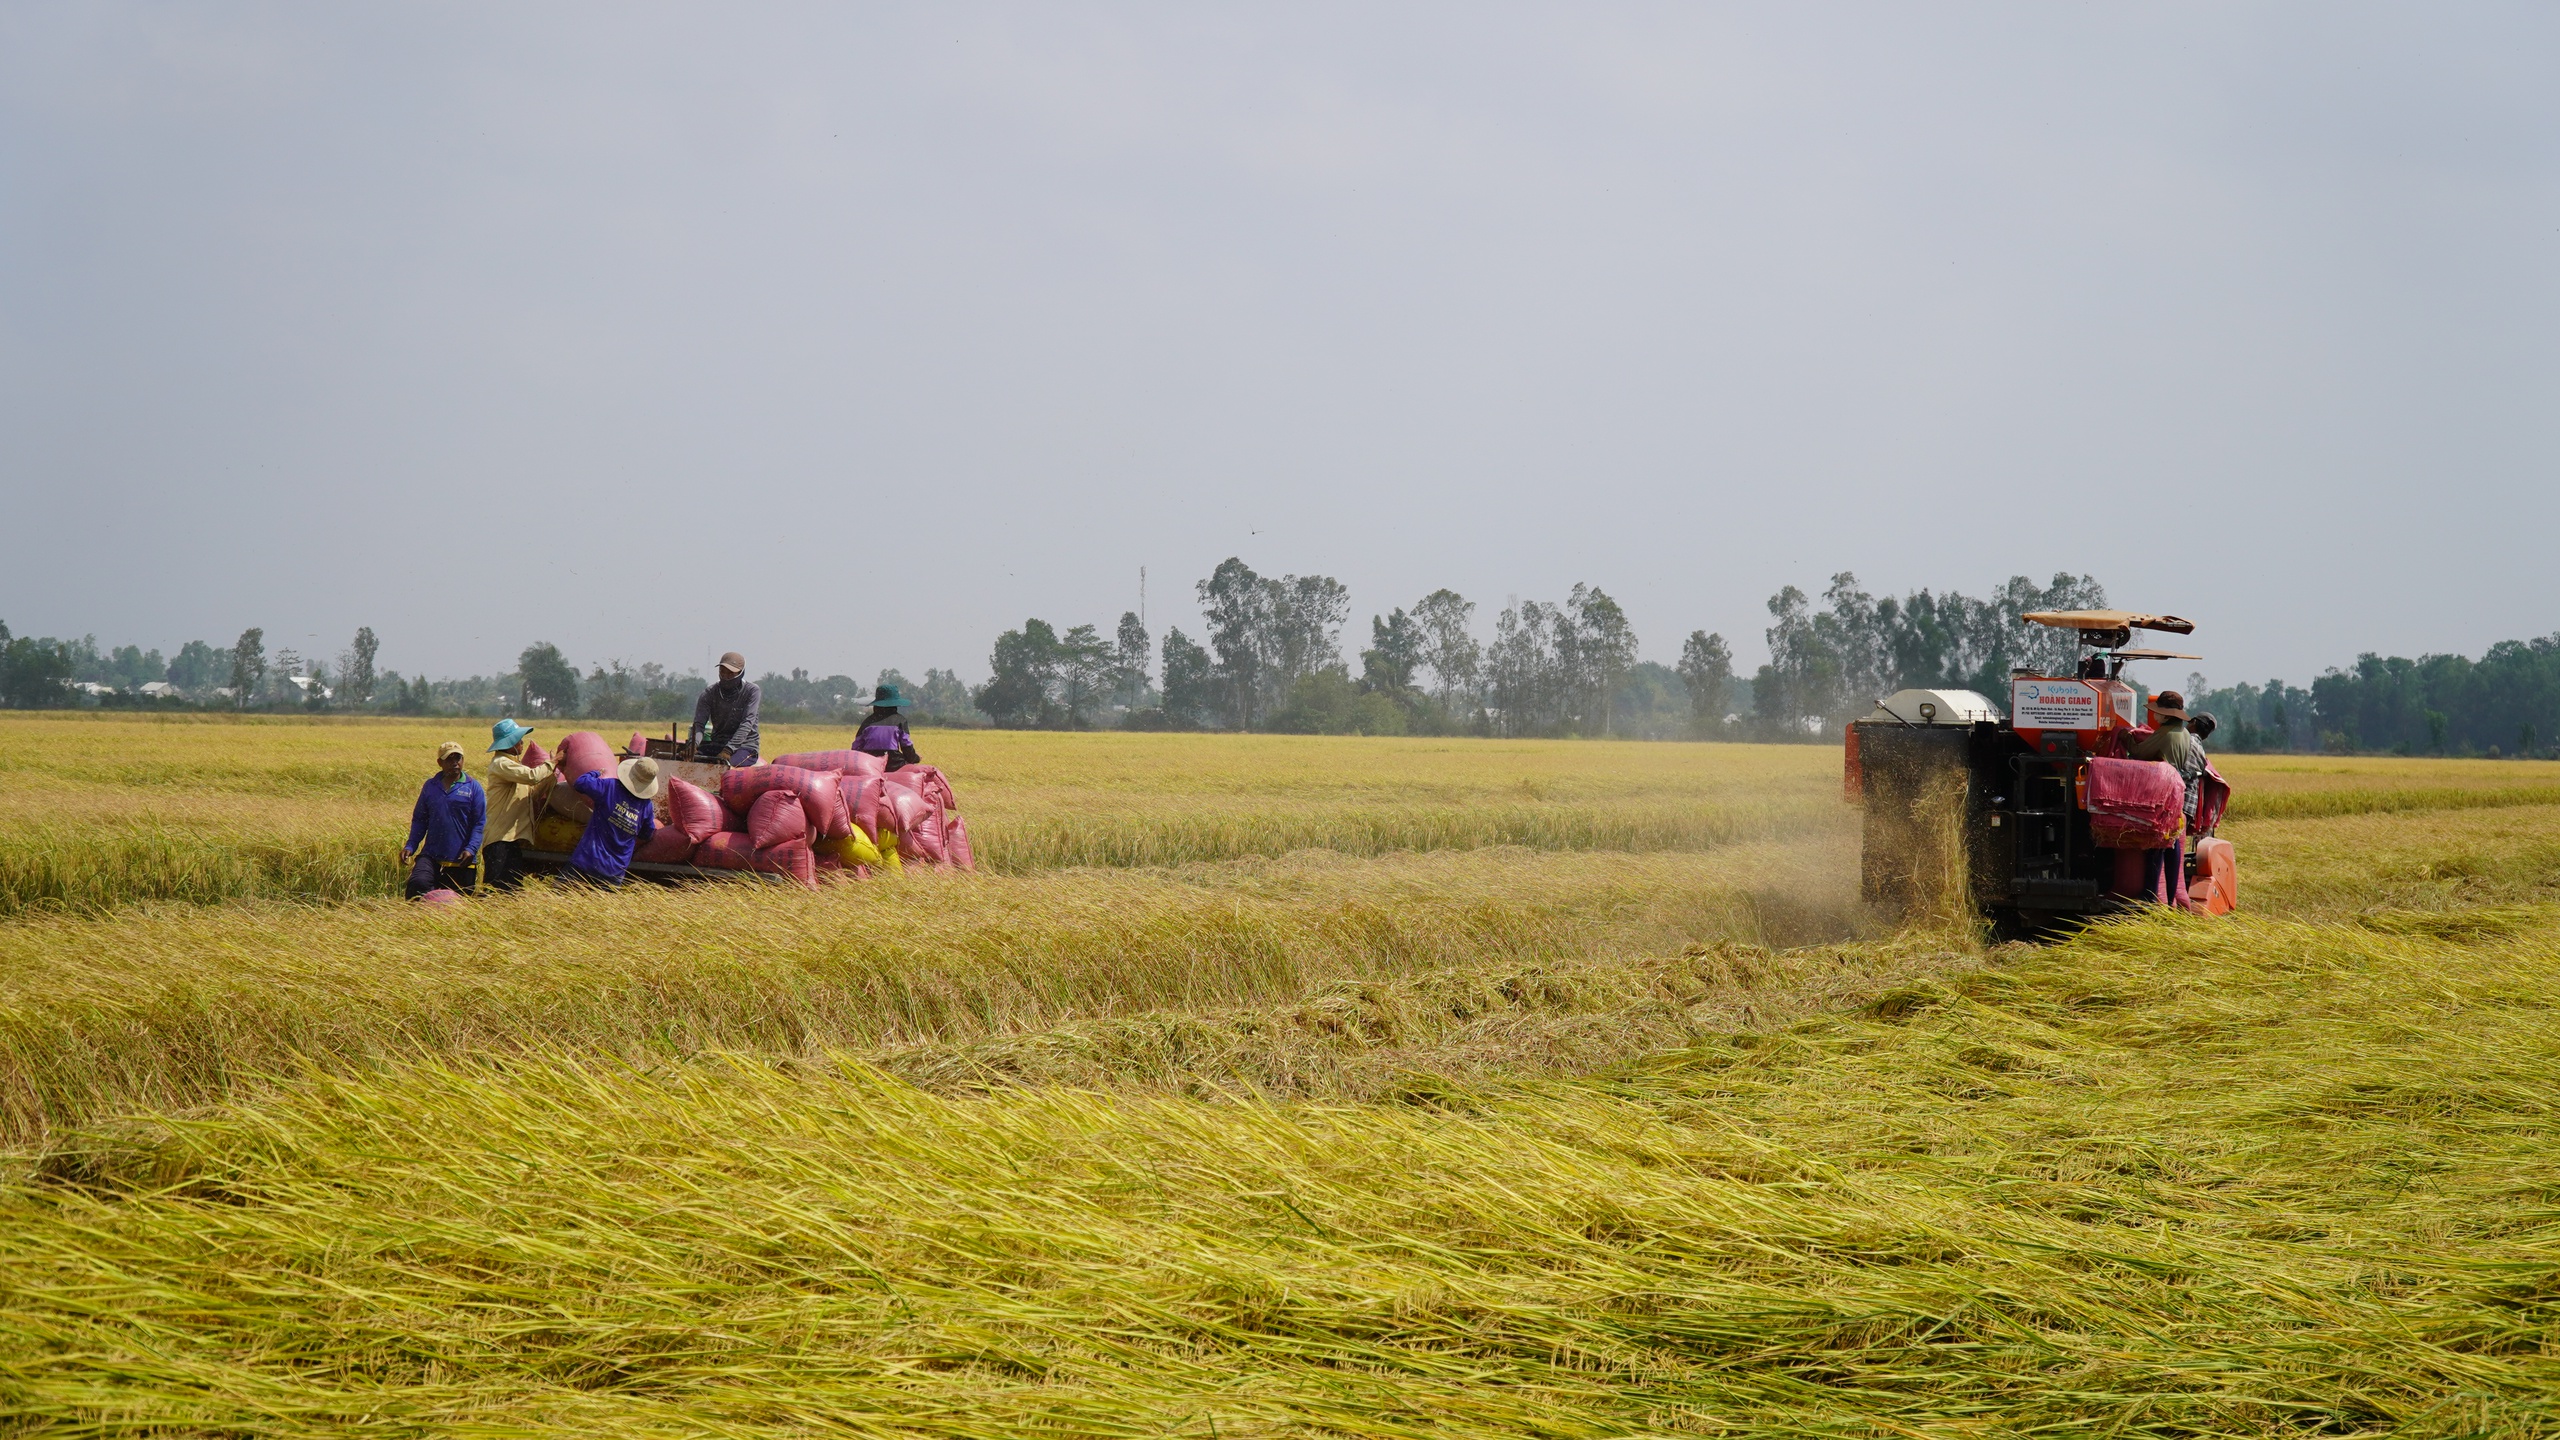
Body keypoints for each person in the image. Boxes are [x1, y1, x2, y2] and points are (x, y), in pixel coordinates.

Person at [2129, 690, 2209, 905]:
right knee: (2172, 845)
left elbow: (2138, 752)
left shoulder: (2166, 733)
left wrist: (2124, 738)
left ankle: (2150, 894)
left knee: (2157, 845)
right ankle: (2170, 895)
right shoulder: (2182, 733)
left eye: (2158, 712)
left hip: (2163, 795)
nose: (2155, 716)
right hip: (2177, 794)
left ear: (2165, 714)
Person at [563, 754, 662, 889]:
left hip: (587, 861)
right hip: (613, 872)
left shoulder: (610, 787)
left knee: (558, 898)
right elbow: (647, 834)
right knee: (602, 910)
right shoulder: (646, 807)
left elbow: (580, 783)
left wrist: (597, 772)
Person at [404, 740, 486, 899]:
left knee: (457, 903)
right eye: (449, 759)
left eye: (458, 758)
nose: (455, 763)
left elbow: (479, 823)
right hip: (432, 855)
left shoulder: (473, 788)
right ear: (439, 762)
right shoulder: (430, 786)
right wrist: (411, 845)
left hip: (461, 859)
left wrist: (471, 849)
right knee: (418, 885)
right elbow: (420, 819)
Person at [481, 717, 553, 892]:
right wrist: (554, 761)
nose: (521, 742)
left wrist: (552, 774)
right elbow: (532, 776)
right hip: (500, 840)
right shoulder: (501, 764)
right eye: (518, 739)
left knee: (511, 892)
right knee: (498, 893)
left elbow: (533, 793)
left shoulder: (513, 766)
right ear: (510, 742)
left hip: (512, 841)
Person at [688, 652, 760, 766]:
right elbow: (699, 724)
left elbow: (747, 723)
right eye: (722, 672)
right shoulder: (709, 694)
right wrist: (693, 745)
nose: (726, 676)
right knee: (689, 760)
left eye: (731, 673)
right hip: (718, 744)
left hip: (745, 747)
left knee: (724, 765)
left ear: (741, 673)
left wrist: (728, 750)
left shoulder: (751, 691)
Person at [852, 683, 922, 771]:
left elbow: (856, 747)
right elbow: (906, 745)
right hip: (893, 764)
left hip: (870, 764)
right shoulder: (900, 720)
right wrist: (915, 758)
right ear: (895, 705)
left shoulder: (867, 722)